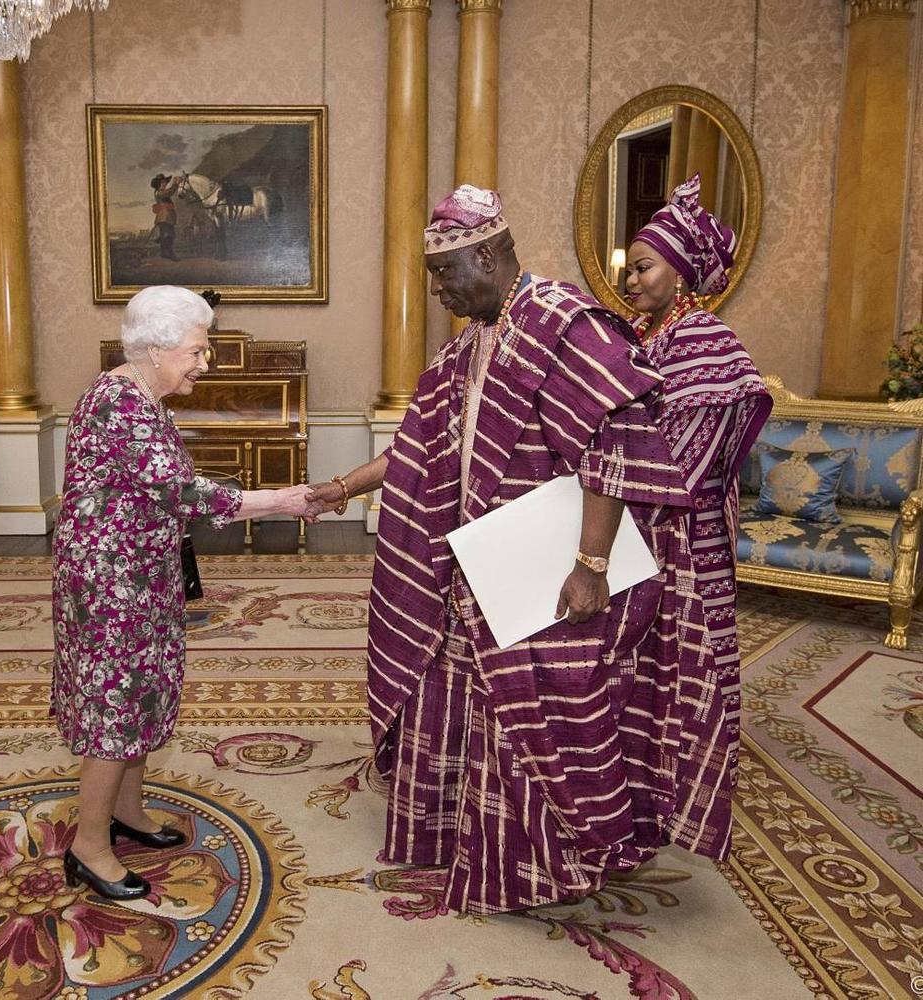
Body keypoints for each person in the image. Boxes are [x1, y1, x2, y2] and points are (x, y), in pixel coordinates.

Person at [310, 185, 732, 916]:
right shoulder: (470, 341)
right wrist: (345, 487)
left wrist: (591, 567)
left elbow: (613, 447)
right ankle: (463, 843)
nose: (438, 290)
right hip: (481, 565)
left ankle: (545, 871)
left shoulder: (564, 325)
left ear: (491, 254)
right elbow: (419, 447)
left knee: (544, 724)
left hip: (549, 569)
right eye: (432, 275)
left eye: (446, 274)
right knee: (461, 700)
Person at [52, 285, 313, 901]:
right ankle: (89, 846)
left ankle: (128, 811)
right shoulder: (119, 402)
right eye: (196, 351)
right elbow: (181, 493)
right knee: (116, 703)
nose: (204, 363)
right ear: (156, 348)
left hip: (141, 570)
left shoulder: (142, 395)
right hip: (111, 580)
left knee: (142, 690)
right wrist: (278, 500)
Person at [625, 173, 771, 776]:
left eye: (643, 268)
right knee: (642, 646)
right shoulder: (639, 337)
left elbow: (687, 457)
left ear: (680, 270)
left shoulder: (707, 341)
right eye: (629, 270)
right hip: (634, 511)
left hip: (686, 526)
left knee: (691, 643)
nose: (630, 280)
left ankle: (697, 763)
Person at [150, 173, 179, 260]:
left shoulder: (161, 192)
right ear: (158, 185)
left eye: (165, 182)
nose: (165, 184)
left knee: (166, 235)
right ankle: (170, 254)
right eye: (162, 183)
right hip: (164, 217)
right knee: (169, 235)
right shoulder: (159, 193)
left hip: (167, 217)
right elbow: (170, 192)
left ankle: (164, 253)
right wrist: (175, 184)